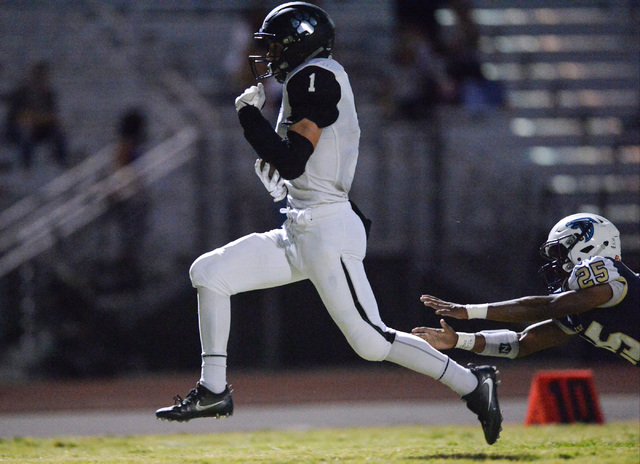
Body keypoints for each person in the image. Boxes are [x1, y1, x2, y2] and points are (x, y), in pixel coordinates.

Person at [155, 2, 503, 445]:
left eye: (278, 44)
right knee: (209, 272)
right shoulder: (307, 78)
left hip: (327, 229)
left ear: (301, 42)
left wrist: (248, 119)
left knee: (372, 342)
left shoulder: (315, 75)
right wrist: (276, 176)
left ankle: (475, 384)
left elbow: (294, 159)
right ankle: (213, 390)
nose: (271, 54)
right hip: (300, 226)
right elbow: (298, 166)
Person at [412, 213, 639, 366]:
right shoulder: (581, 304)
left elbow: (547, 307)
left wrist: (469, 311)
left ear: (590, 243)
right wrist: (458, 340)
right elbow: (522, 343)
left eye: (560, 252)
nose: (557, 262)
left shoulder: (607, 271)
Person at [4, 61, 68, 169]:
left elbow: (52, 114)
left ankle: (62, 161)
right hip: (19, 128)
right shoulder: (21, 93)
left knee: (58, 133)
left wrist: (42, 119)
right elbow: (16, 116)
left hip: (39, 127)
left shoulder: (49, 94)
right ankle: (26, 166)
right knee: (25, 133)